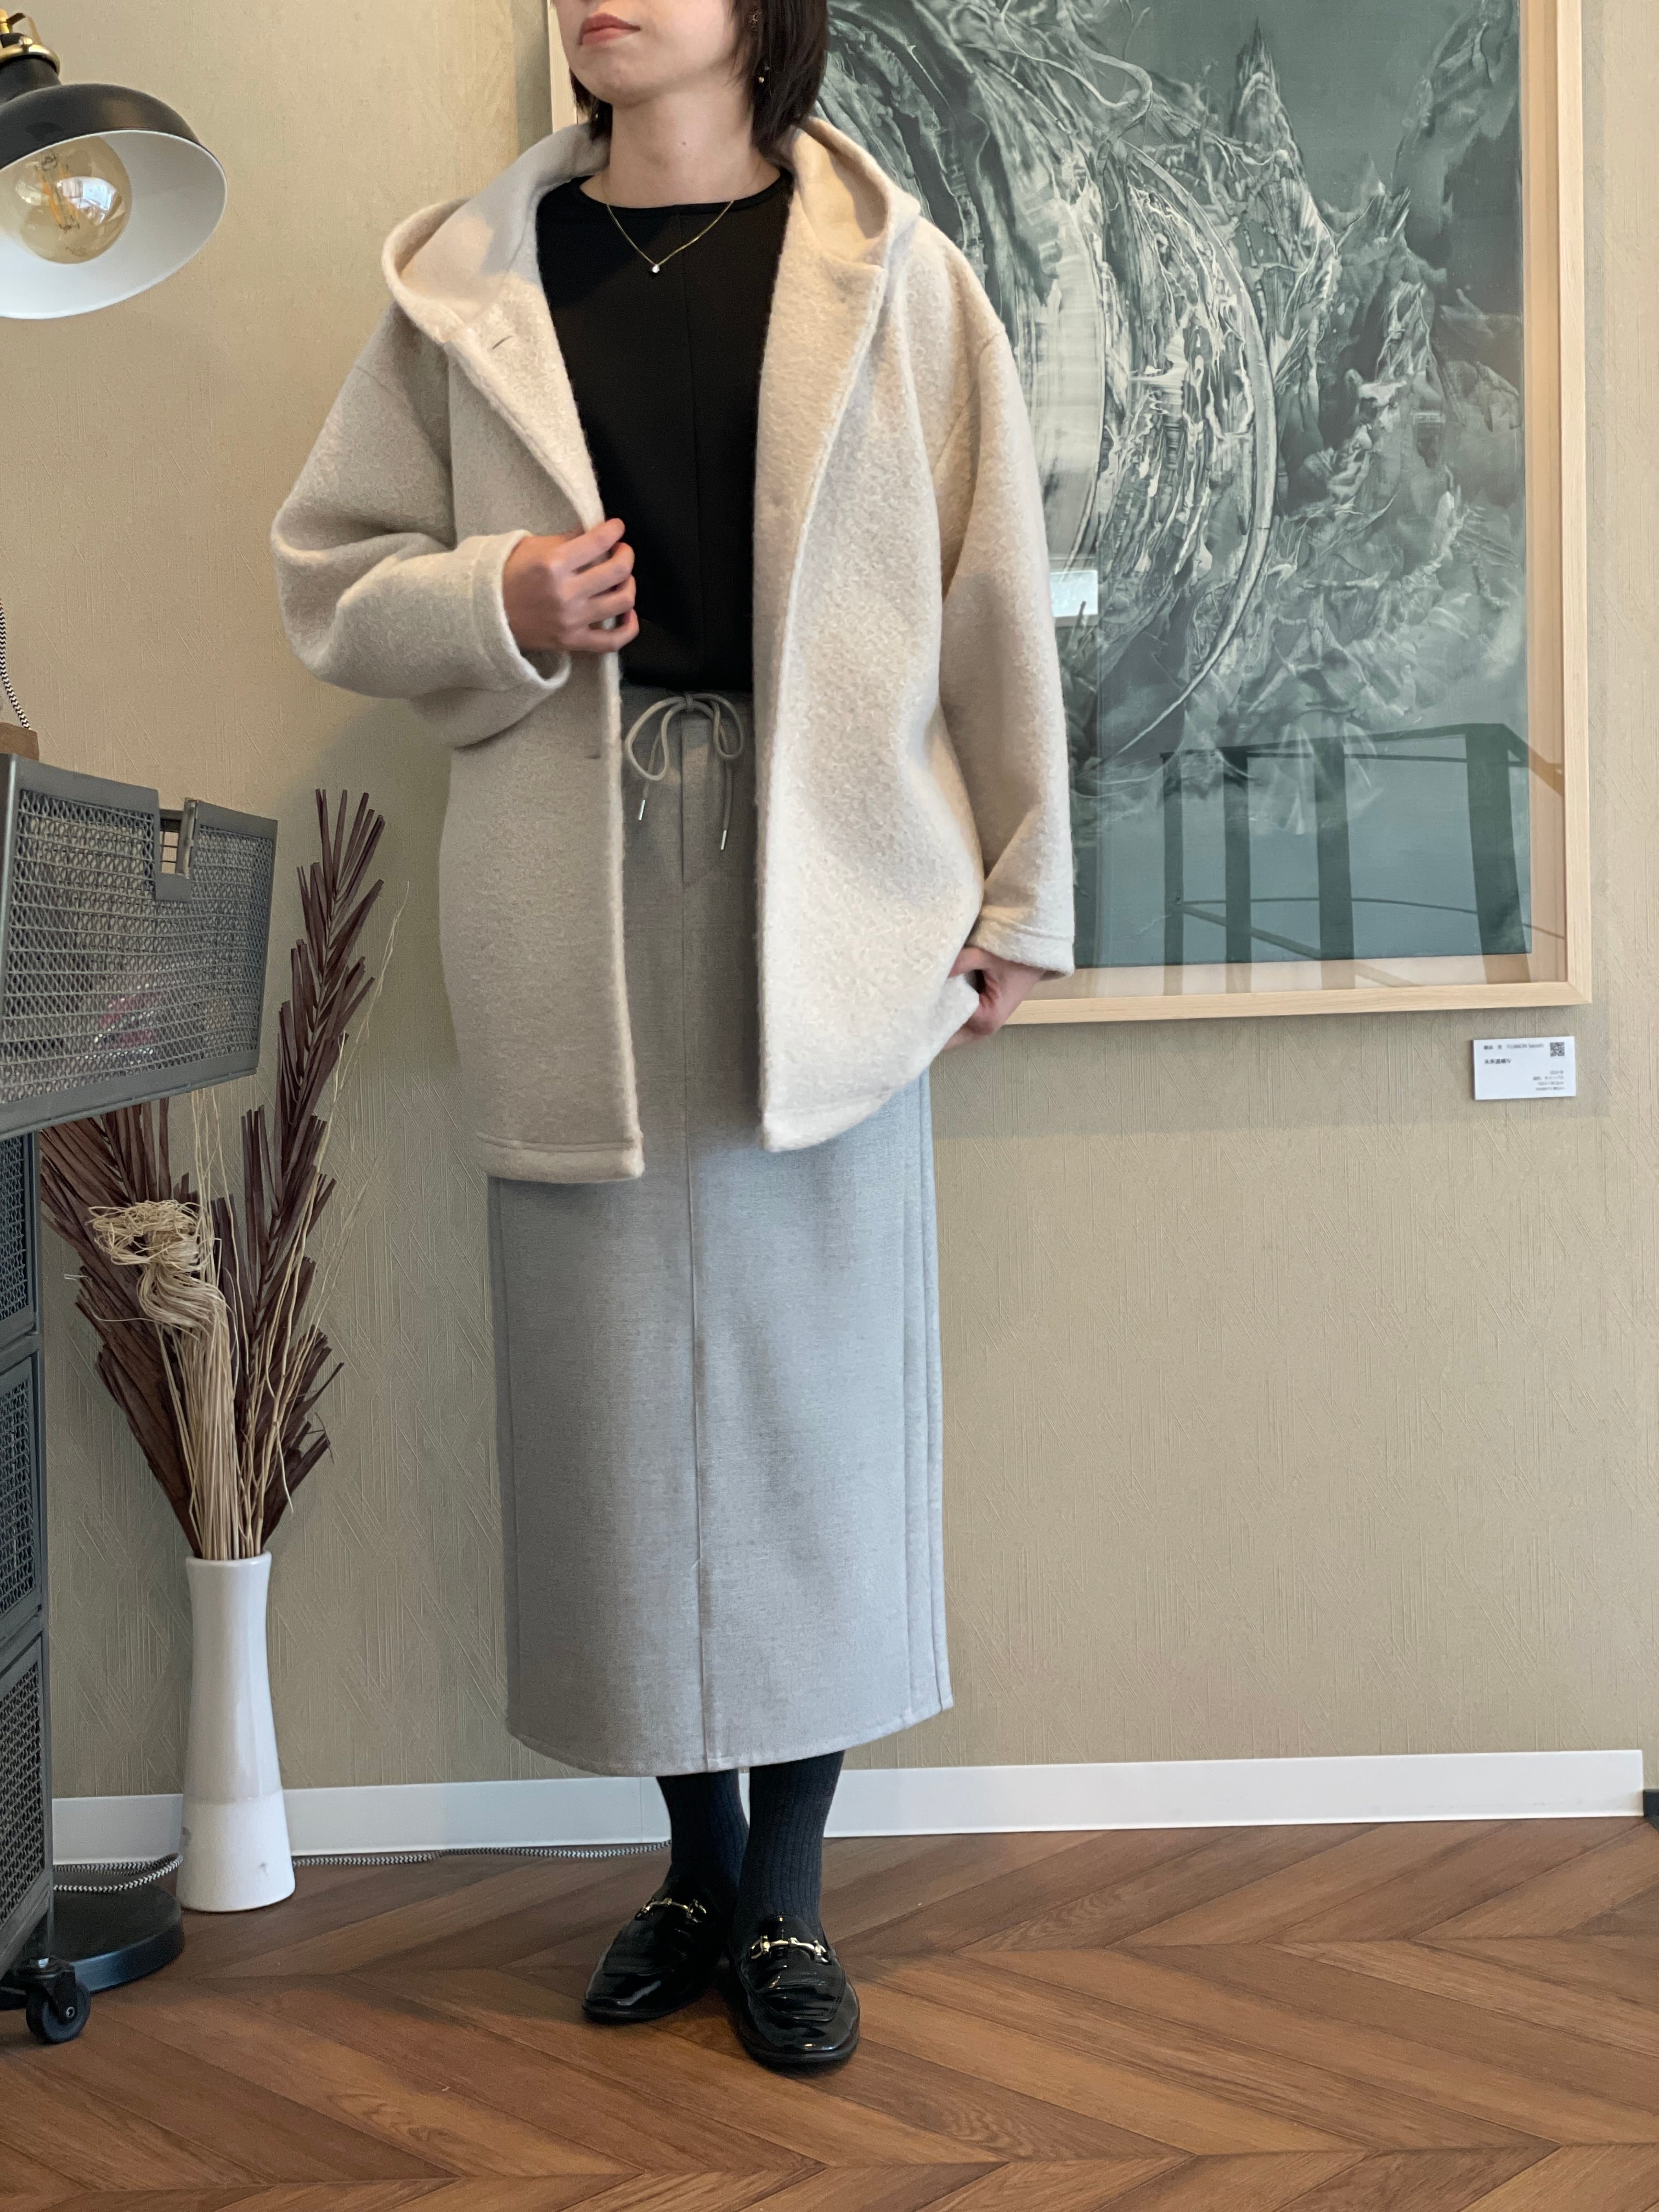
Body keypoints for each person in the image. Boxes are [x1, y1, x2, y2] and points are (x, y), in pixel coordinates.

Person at [272, 0, 1073, 2073]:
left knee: (816, 1415)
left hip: (836, 901)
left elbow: (994, 590)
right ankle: (696, 1871)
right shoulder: (469, 282)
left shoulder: (898, 274)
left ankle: (789, 1895)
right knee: (613, 1424)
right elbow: (332, 578)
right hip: (572, 902)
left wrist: (1023, 904)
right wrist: (502, 599)